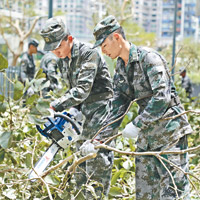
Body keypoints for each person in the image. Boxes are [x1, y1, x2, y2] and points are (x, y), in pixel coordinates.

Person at [92, 15, 192, 200]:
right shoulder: (121, 67)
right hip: (147, 139)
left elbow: (162, 97)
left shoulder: (149, 59)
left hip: (170, 134)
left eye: (104, 45)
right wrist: (98, 139)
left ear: (117, 37)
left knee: (173, 193)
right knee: (145, 194)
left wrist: (137, 123)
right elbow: (118, 105)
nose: (103, 51)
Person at [40, 17, 114, 199]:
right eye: (52, 50)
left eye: (58, 47)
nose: (56, 52)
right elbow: (72, 91)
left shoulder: (89, 54)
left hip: (100, 113)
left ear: (69, 39)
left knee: (97, 162)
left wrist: (55, 106)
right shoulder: (65, 58)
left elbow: (81, 90)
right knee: (80, 164)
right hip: (81, 113)